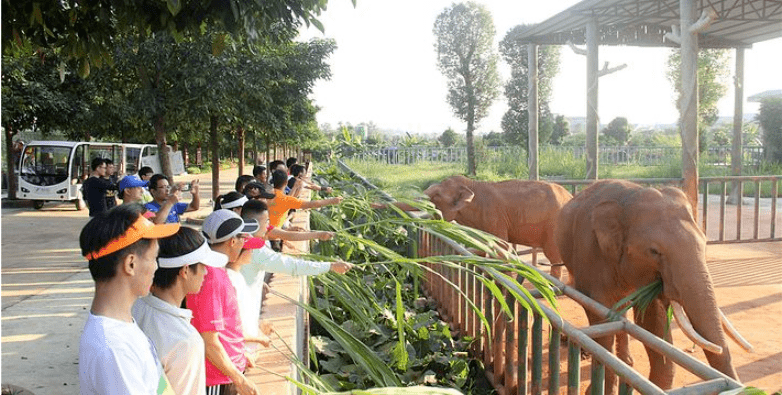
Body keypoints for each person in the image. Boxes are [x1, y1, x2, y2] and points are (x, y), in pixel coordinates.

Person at [78, 204, 180, 394]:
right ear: (130, 264)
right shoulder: (113, 348)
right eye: (153, 258)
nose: (156, 268)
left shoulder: (120, 328)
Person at [231, 200, 350, 361]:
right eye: (266, 221)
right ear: (252, 223)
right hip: (240, 323)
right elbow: (293, 266)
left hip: (242, 316)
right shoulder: (254, 249)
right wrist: (330, 266)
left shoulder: (242, 239)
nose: (268, 225)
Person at [132, 227, 228, 395]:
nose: (206, 272)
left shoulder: (134, 308)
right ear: (185, 271)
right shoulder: (186, 340)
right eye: (202, 266)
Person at [186, 209, 260, 395]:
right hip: (218, 378)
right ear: (233, 241)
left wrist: (240, 357)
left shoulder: (218, 270)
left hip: (228, 369)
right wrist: (239, 378)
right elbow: (209, 341)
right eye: (243, 238)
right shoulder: (210, 277)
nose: (245, 243)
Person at [266, 170, 342, 251]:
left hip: (265, 232)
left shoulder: (267, 194)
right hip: (274, 237)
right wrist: (331, 201)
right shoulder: (285, 200)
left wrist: (287, 230)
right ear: (286, 182)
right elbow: (312, 204)